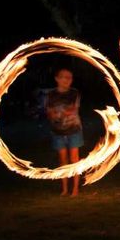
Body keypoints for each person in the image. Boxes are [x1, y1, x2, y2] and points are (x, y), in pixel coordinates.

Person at [44, 68, 83, 196]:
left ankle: (75, 189)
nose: (67, 80)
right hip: (57, 131)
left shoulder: (74, 93)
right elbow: (49, 112)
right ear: (57, 79)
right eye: (64, 77)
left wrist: (59, 113)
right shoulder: (50, 95)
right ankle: (65, 189)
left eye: (69, 78)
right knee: (62, 159)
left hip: (73, 130)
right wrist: (54, 115)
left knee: (74, 159)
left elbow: (72, 110)